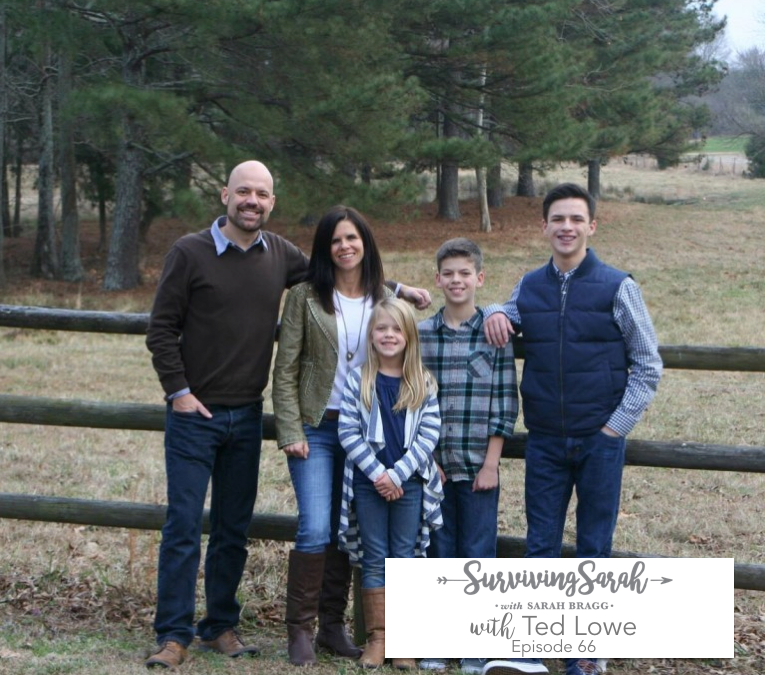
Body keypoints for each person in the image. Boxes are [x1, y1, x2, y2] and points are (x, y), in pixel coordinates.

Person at [145, 165, 428, 669]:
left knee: (234, 527)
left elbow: (346, 266)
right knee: (185, 525)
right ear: (226, 194)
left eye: (261, 194)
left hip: (250, 414)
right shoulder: (189, 252)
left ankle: (222, 626)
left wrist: (399, 288)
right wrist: (179, 392)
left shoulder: (278, 254)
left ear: (271, 202)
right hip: (197, 413)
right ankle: (173, 634)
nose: (251, 201)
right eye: (243, 192)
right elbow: (161, 328)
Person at [482, 183, 663, 675]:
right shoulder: (529, 285)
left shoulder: (618, 286)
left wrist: (614, 428)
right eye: (558, 219)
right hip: (544, 439)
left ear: (592, 226)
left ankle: (584, 654)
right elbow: (507, 312)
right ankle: (529, 652)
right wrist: (495, 309)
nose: (567, 227)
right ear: (544, 227)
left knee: (593, 548)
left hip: (599, 440)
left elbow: (648, 363)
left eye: (576, 219)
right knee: (540, 544)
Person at [272, 206, 432, 666]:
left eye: (352, 238)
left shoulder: (381, 295)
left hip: (368, 432)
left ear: (365, 242)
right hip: (317, 426)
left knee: (348, 528)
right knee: (316, 524)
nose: (344, 247)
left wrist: (403, 289)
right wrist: (290, 429)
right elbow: (285, 368)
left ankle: (332, 627)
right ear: (324, 248)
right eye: (335, 240)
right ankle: (300, 630)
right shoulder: (304, 296)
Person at [415, 238, 524, 675]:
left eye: (465, 273)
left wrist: (492, 462)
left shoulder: (494, 334)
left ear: (479, 278)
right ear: (437, 279)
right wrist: (428, 459)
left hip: (480, 465)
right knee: (440, 551)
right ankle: (440, 639)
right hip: (436, 466)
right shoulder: (422, 335)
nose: (456, 281)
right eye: (449, 274)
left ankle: (476, 643)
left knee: (478, 552)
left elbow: (505, 401)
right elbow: (414, 399)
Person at [337, 297, 443, 670]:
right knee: (375, 556)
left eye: (397, 329)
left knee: (404, 557)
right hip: (368, 484)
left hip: (409, 484)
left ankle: (404, 643)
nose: (388, 335)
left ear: (409, 335)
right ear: (371, 334)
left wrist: (397, 474)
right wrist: (378, 474)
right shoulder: (359, 379)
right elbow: (348, 431)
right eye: (381, 328)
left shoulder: (422, 382)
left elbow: (429, 434)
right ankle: (378, 640)